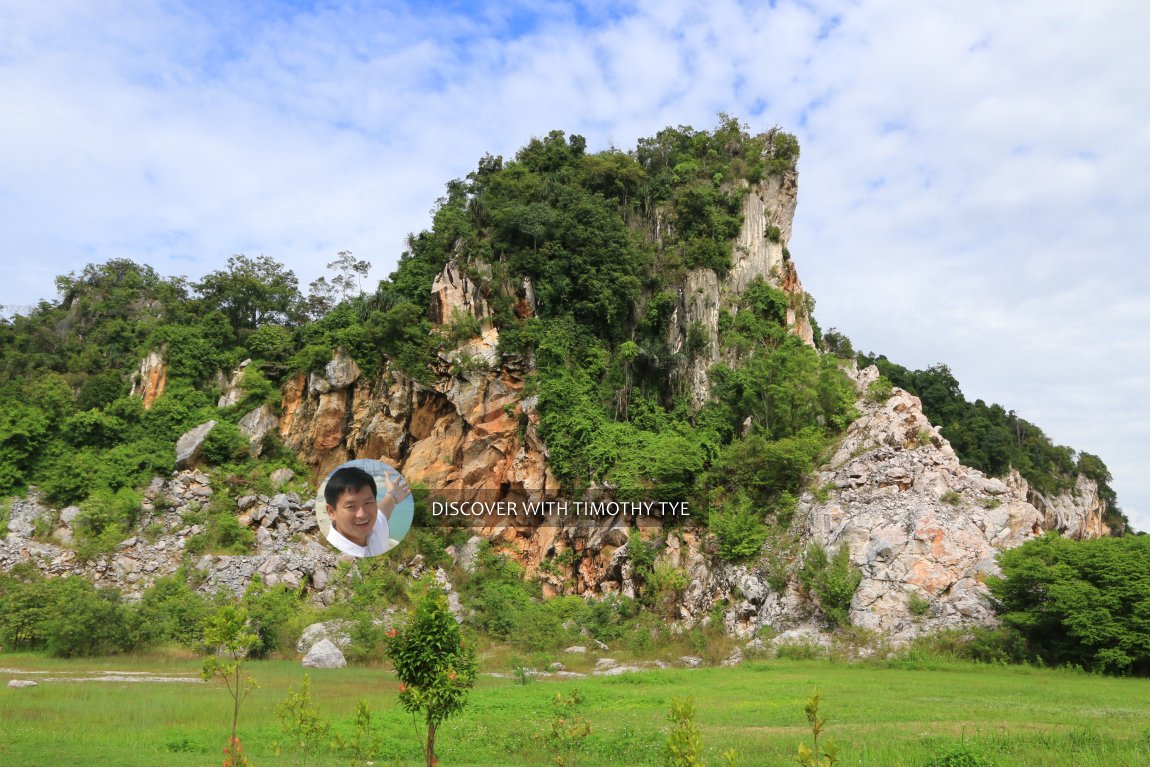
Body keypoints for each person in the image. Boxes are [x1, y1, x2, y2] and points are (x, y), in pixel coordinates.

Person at [324, 466, 394, 557]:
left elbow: (385, 508)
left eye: (368, 502)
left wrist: (393, 494)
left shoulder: (375, 525)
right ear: (331, 512)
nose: (362, 514)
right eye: (351, 506)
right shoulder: (333, 553)